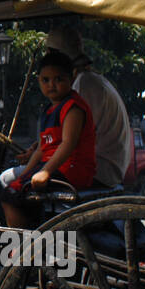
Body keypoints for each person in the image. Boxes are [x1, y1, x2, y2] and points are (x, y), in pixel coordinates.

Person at [0, 50, 97, 228]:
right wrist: (27, 173)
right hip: (53, 166)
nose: (52, 85)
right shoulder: (49, 110)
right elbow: (42, 149)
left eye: (59, 79)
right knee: (12, 187)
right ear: (39, 81)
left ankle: (22, 243)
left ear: (71, 78)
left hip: (71, 169)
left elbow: (68, 144)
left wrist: (45, 172)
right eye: (46, 80)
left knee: (9, 196)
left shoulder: (73, 107)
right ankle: (29, 231)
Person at [44, 26, 132, 187]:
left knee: (11, 183)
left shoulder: (85, 85)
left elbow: (71, 140)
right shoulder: (90, 81)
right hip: (104, 167)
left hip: (100, 170)